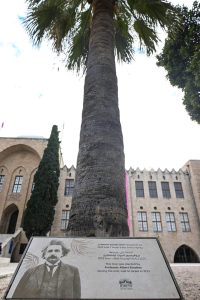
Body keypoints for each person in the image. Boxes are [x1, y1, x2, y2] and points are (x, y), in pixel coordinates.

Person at [12, 239, 81, 299]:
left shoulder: (73, 271)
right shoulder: (30, 271)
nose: (53, 253)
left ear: (62, 253)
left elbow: (77, 295)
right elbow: (17, 293)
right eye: (50, 251)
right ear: (44, 254)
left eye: (57, 251)